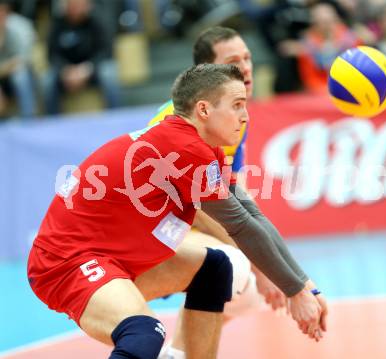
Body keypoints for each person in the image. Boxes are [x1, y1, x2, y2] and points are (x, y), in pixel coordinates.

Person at [27, 63, 325, 359]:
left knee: (215, 268)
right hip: (66, 262)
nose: (245, 116)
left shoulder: (205, 149)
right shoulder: (184, 148)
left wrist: (304, 285)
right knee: (144, 334)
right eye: (236, 106)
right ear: (204, 110)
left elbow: (253, 217)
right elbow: (241, 227)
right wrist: (294, 291)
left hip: (116, 255)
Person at [147, 27, 328, 359]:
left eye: (247, 58)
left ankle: (177, 353)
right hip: (140, 231)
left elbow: (242, 200)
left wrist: (300, 282)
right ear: (207, 74)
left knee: (242, 291)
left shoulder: (232, 117)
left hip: (173, 225)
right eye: (233, 62)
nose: (246, 67)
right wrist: (265, 269)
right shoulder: (181, 123)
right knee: (229, 266)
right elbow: (209, 210)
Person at [42, 0, 121, 115]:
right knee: (47, 80)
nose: (75, 9)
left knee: (109, 73)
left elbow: (105, 51)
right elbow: (52, 54)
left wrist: (87, 69)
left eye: (79, 5)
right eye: (72, 5)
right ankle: (52, 119)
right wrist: (65, 70)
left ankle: (115, 115)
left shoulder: (97, 21)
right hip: (66, 72)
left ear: (87, 6)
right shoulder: (57, 24)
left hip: (92, 69)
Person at [0, 0, 37, 119]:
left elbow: (22, 60)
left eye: (2, 12)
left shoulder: (17, 29)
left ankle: (28, 119)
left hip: (13, 74)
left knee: (20, 76)